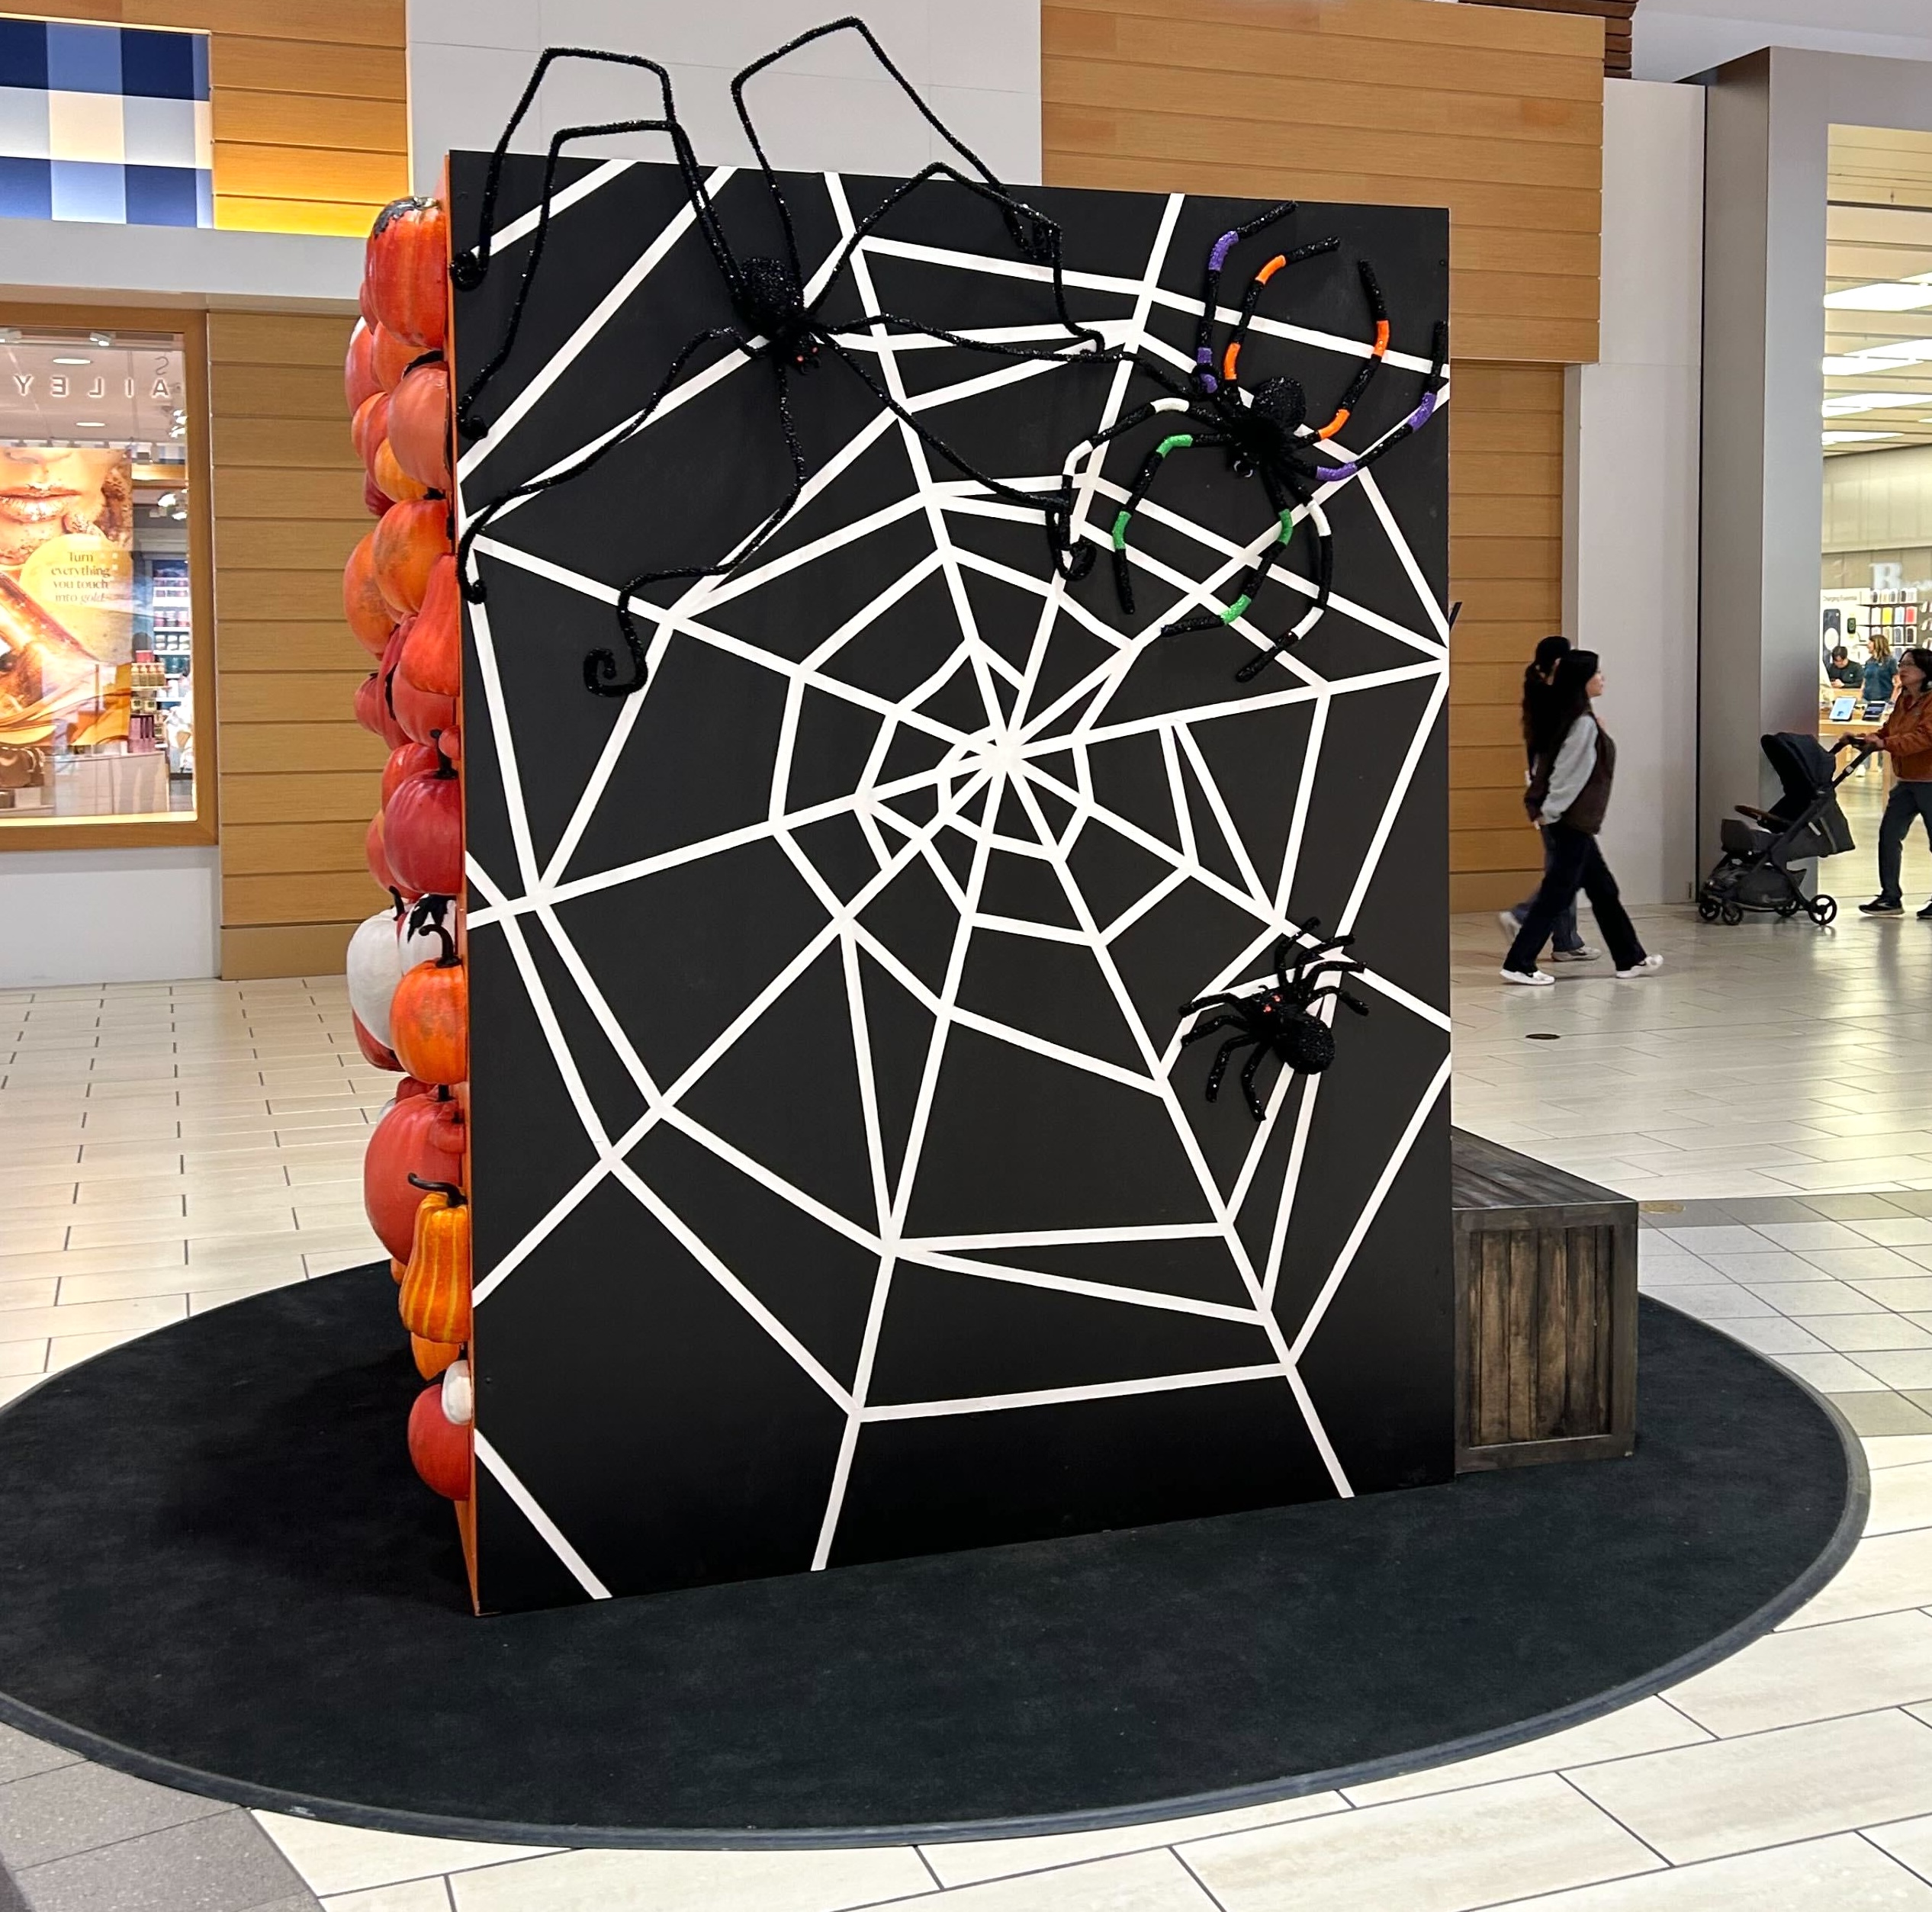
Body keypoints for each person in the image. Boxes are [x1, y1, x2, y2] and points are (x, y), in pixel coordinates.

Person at [1501, 651, 1661, 985]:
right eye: (1597, 673)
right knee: (1557, 894)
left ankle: (1630, 958)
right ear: (1581, 681)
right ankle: (1519, 963)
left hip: (1574, 823)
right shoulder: (1582, 724)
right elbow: (1568, 775)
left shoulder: (1571, 718)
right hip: (1570, 823)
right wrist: (1550, 813)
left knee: (1603, 890)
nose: (1602, 679)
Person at [1498, 635, 1596, 962]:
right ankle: (1524, 916)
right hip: (1556, 799)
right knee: (1565, 871)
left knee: (1565, 869)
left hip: (1550, 796)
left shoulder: (1544, 693)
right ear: (1558, 662)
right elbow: (1560, 758)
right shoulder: (1555, 700)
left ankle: (1566, 940)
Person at [1857, 645, 1932, 918]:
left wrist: (1886, 744)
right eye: (1901, 664)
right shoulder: (1904, 699)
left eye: (1909, 664)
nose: (1902, 669)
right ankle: (1890, 897)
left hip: (1929, 780)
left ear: (1925, 671)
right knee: (1889, 835)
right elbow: (1890, 730)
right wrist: (1869, 738)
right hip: (1906, 780)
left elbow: (1925, 737)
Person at [1864, 631, 1897, 706]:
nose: (1867, 646)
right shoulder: (1869, 662)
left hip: (1885, 699)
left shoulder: (1890, 661)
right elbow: (1865, 681)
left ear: (1877, 644)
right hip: (1867, 700)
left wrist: (1892, 700)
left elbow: (1898, 682)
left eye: (1870, 643)